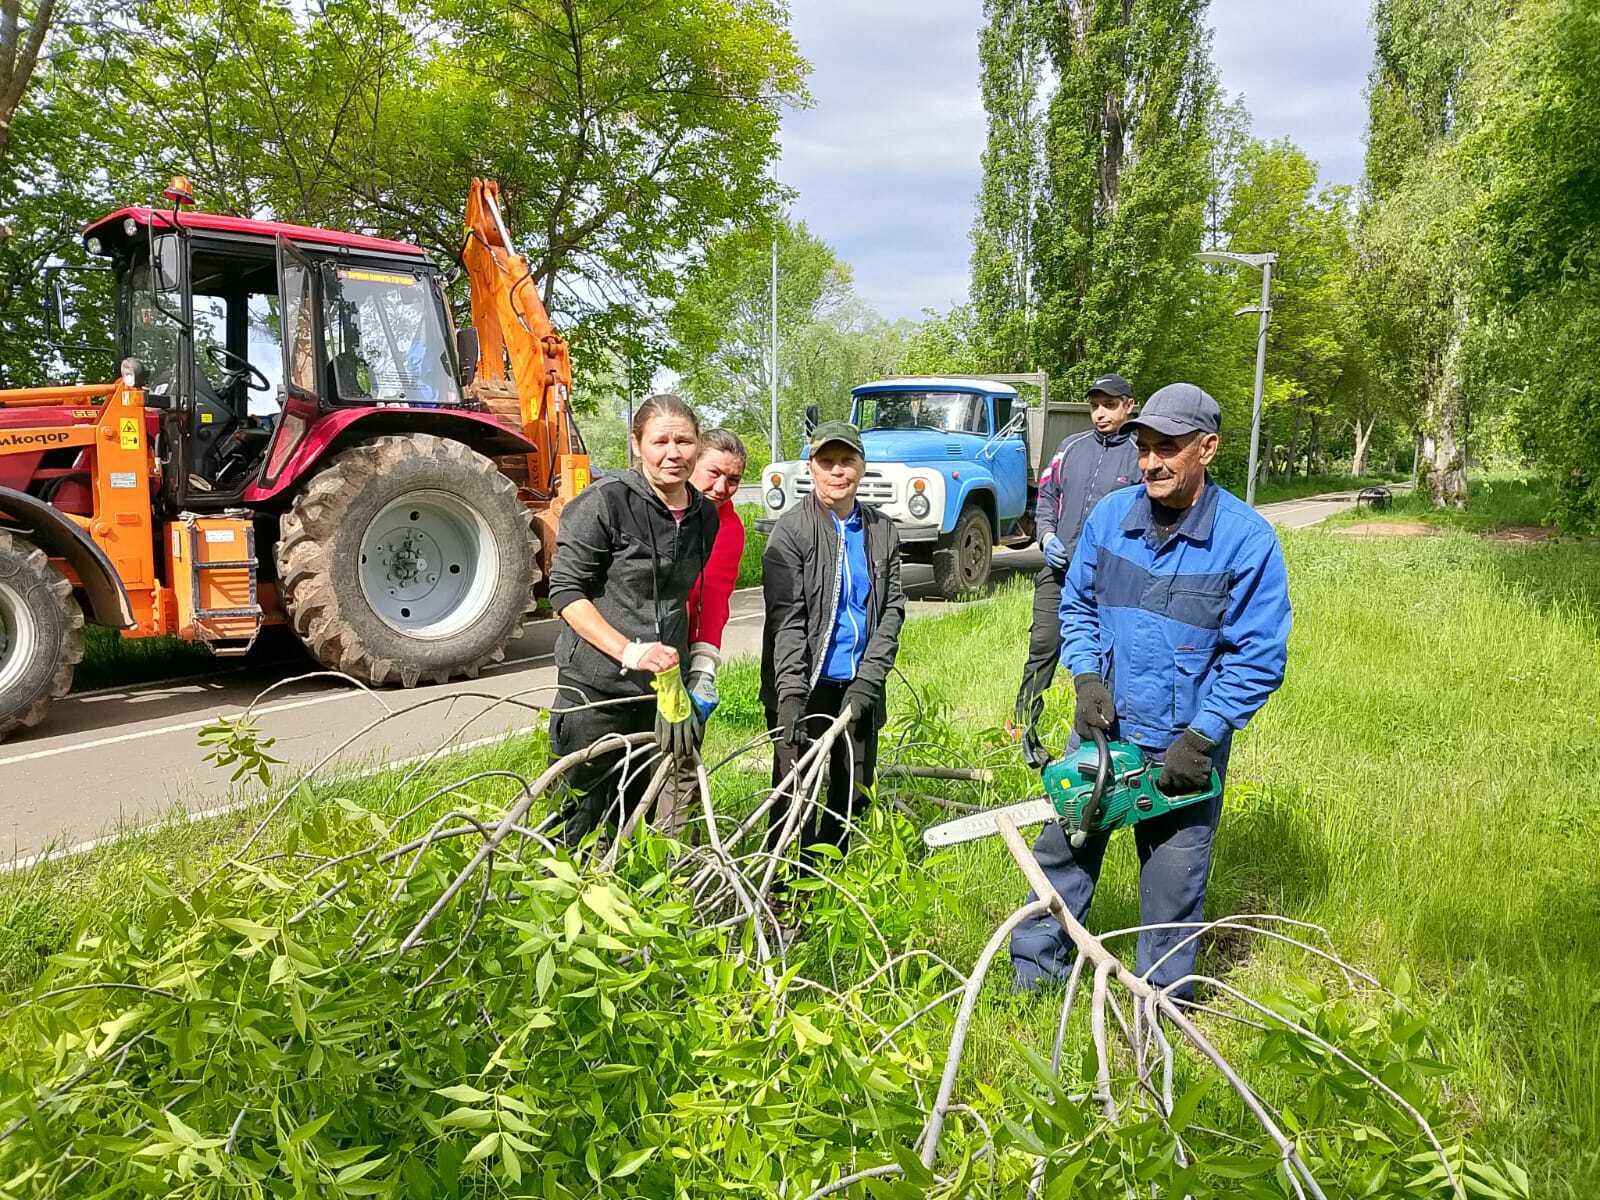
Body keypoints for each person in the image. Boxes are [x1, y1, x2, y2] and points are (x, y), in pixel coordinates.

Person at [1009, 383, 1291, 995]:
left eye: (1169, 448)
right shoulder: (1111, 519)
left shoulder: (1247, 541)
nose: (1152, 463)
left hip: (1183, 748)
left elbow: (1258, 656)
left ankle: (1159, 1008)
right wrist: (1085, 678)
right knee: (1061, 857)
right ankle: (1031, 983)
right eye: (1144, 448)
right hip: (1104, 734)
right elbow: (1078, 606)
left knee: (1172, 893)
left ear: (1207, 448)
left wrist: (1204, 734)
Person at [546, 394, 720, 843]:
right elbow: (565, 593)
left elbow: (687, 597)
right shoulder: (604, 503)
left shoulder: (704, 515)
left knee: (636, 810)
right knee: (580, 814)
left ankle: (628, 898)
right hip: (596, 687)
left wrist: (697, 668)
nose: (673, 453)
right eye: (660, 441)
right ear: (637, 444)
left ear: (698, 446)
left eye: (683, 441)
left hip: (659, 691)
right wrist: (629, 650)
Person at [761, 421, 905, 859]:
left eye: (847, 461)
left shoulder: (882, 530)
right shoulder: (791, 531)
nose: (837, 472)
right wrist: (789, 695)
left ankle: (826, 880)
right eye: (827, 462)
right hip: (803, 685)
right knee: (794, 791)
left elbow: (892, 611)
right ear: (811, 467)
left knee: (852, 789)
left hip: (857, 685)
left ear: (862, 466)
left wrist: (867, 684)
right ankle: (781, 885)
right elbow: (787, 620)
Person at [1013, 373, 1141, 767]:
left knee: (1100, 661)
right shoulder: (1070, 447)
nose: (1100, 414)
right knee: (1042, 650)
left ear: (1128, 406)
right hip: (1058, 573)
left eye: (1110, 405)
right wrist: (1046, 535)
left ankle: (1090, 748)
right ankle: (1021, 734)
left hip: (1109, 582)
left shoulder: (1139, 455)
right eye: (1095, 406)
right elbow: (1047, 496)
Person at [652, 428, 749, 837]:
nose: (722, 487)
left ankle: (670, 857)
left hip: (683, 657)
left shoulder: (729, 528)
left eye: (734, 480)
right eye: (714, 473)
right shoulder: (654, 512)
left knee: (681, 760)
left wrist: (703, 670)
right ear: (692, 465)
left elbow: (715, 601)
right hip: (635, 650)